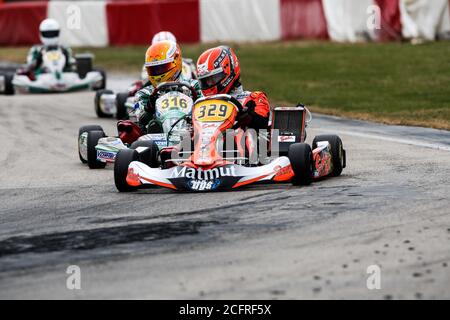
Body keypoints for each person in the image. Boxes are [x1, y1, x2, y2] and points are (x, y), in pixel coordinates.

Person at [131, 40, 202, 134]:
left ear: (176, 62)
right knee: (153, 125)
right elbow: (139, 121)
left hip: (192, 134)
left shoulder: (194, 86)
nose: (157, 73)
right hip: (157, 140)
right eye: (153, 70)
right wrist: (149, 109)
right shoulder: (145, 94)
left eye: (162, 68)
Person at [196, 46, 269, 130]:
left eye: (213, 78)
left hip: (239, 140)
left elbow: (262, 121)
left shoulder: (253, 99)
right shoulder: (200, 103)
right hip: (206, 140)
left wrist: (249, 116)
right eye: (205, 81)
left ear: (229, 70)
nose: (209, 83)